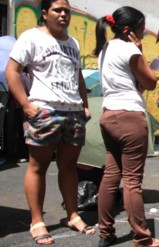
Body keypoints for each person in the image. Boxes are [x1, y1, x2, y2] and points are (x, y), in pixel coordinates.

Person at [5, 0, 94, 245]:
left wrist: (84, 104)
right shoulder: (31, 37)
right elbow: (12, 70)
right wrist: (25, 104)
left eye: (66, 10)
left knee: (69, 165)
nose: (64, 14)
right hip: (44, 111)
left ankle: (73, 215)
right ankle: (37, 221)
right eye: (57, 10)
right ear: (45, 13)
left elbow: (77, 76)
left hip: (73, 113)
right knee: (38, 166)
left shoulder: (73, 42)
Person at [94, 6, 159, 247]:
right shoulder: (129, 49)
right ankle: (142, 238)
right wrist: (139, 51)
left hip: (108, 115)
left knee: (110, 176)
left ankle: (106, 234)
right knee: (132, 181)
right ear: (130, 31)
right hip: (129, 117)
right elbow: (149, 82)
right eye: (141, 29)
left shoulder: (105, 49)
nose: (144, 33)